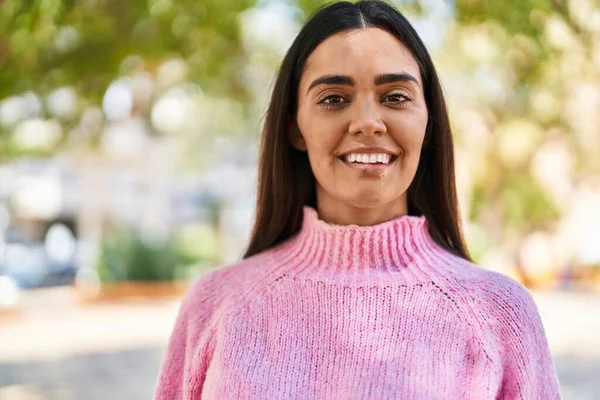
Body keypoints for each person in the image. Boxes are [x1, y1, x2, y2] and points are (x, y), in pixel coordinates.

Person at [154, 1, 561, 398]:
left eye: (395, 97)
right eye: (333, 99)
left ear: (428, 121)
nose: (367, 122)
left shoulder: (497, 315)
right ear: (295, 127)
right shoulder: (217, 307)